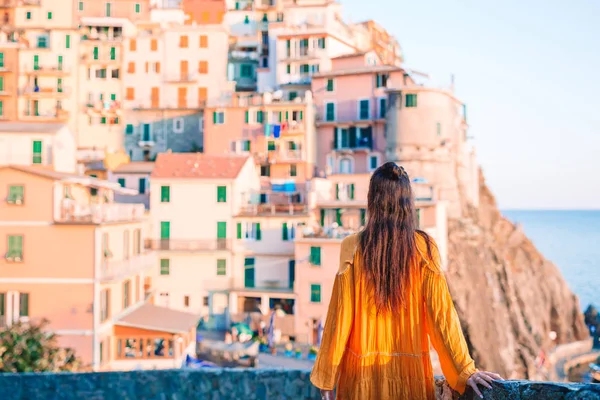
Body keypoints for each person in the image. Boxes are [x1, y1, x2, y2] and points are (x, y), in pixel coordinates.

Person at [310, 162, 503, 399]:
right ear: (407, 204)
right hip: (409, 381)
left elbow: (339, 319)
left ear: (373, 201)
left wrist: (327, 380)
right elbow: (442, 317)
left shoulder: (352, 247)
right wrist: (464, 371)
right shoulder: (424, 249)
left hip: (360, 381)